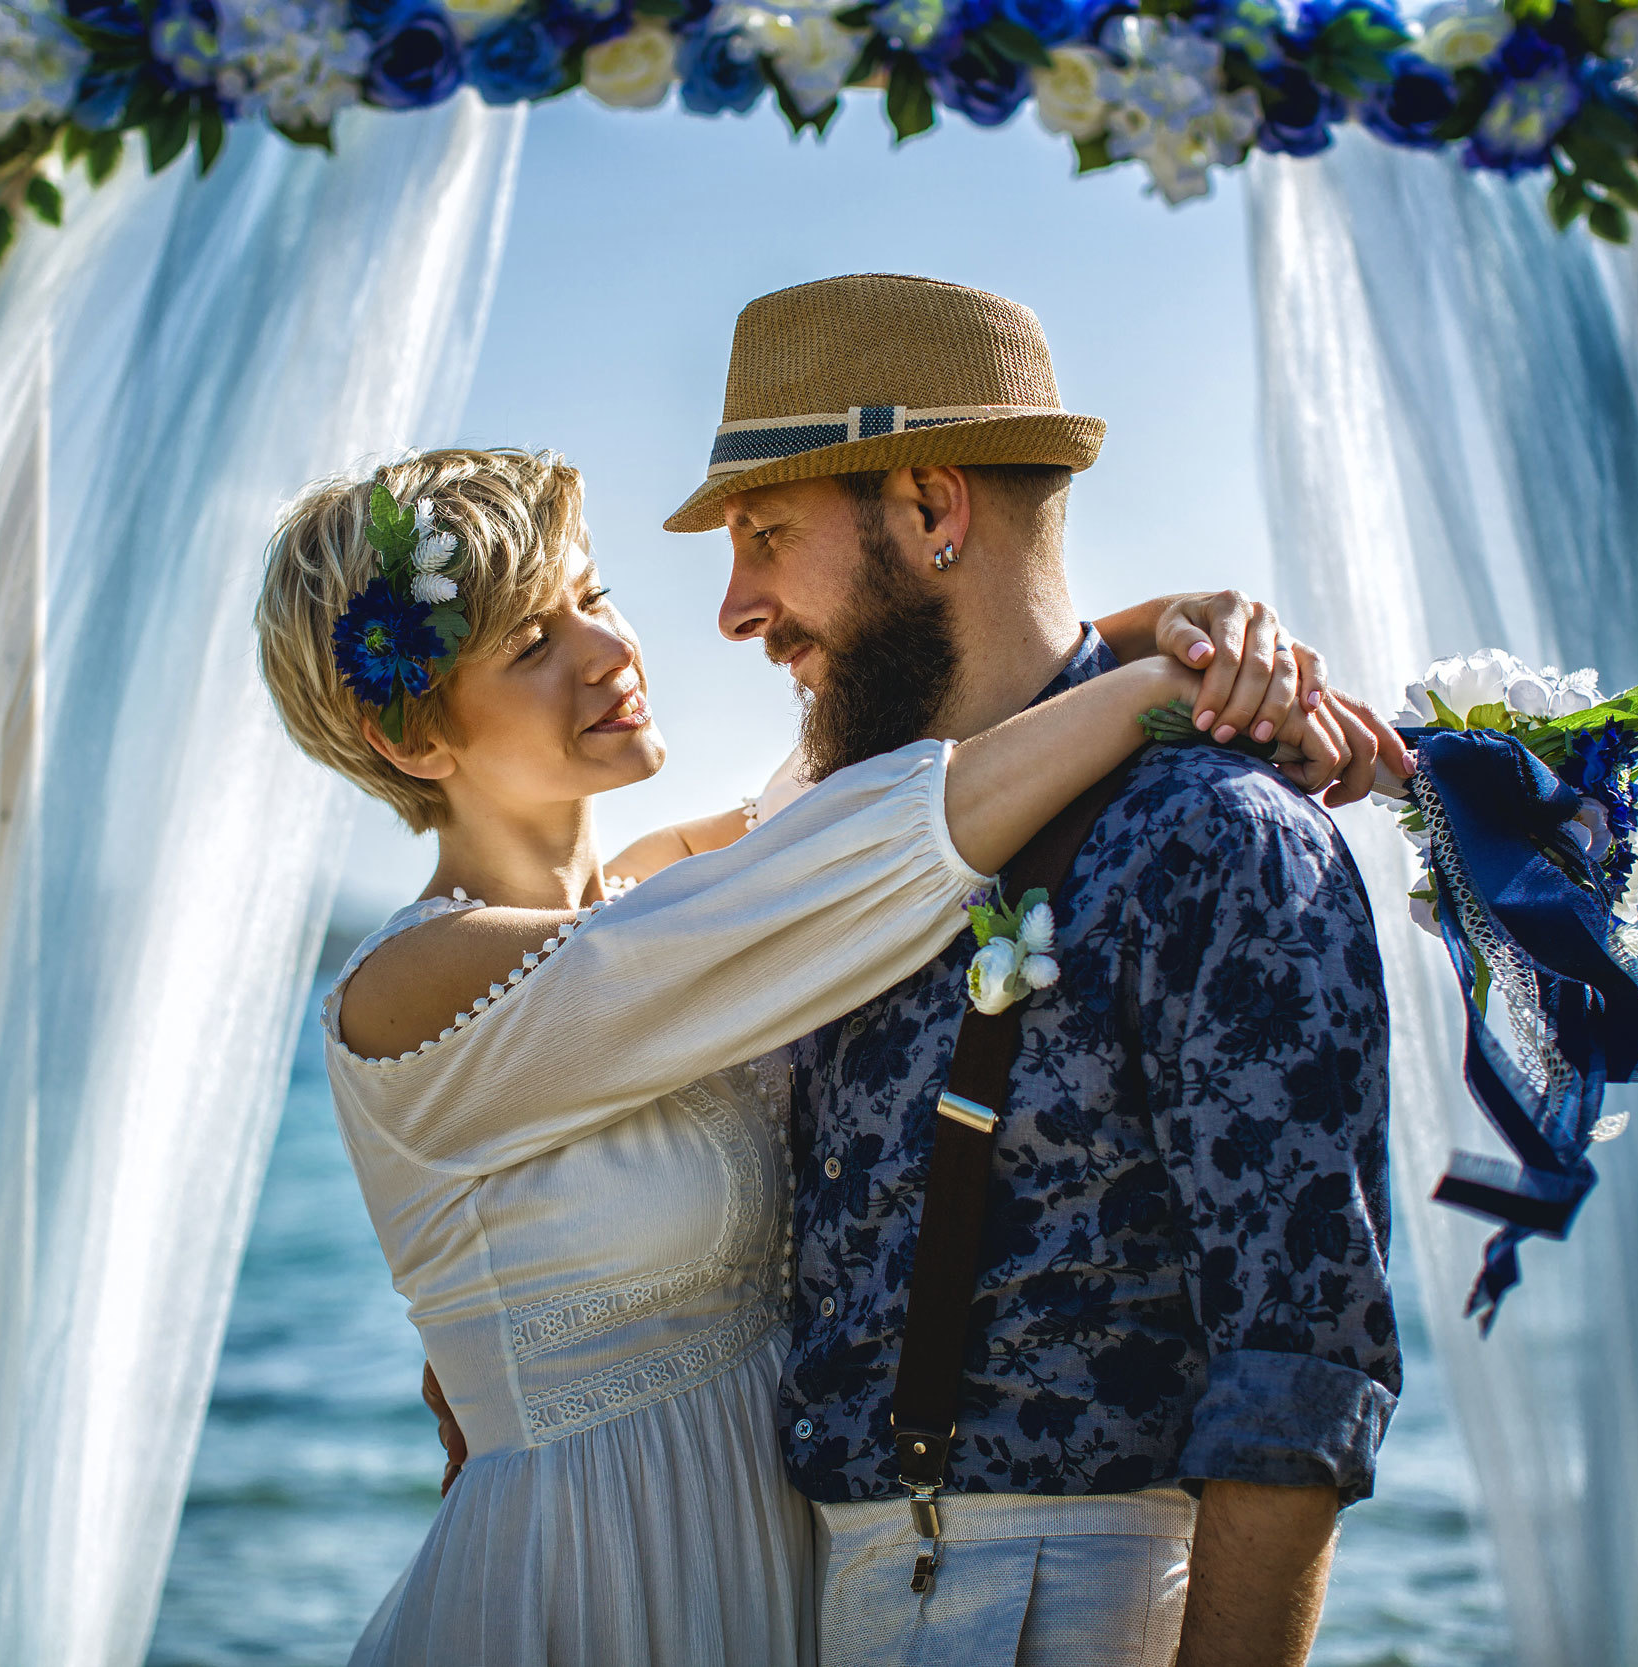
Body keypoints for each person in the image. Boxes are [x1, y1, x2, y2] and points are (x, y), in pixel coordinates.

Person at [253, 444, 1386, 1667]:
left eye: (592, 595)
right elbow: (890, 834)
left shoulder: (685, 895)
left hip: (795, 1580)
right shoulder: (414, 987)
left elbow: (923, 742)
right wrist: (1157, 688)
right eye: (532, 644)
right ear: (410, 736)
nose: (608, 650)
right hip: (583, 1581)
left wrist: (1181, 637)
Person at [661, 273, 1402, 1667]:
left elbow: (1301, 1354)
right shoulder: (849, 836)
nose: (735, 607)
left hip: (1057, 1602)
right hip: (829, 1593)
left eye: (765, 534)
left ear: (936, 512)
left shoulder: (1216, 835)